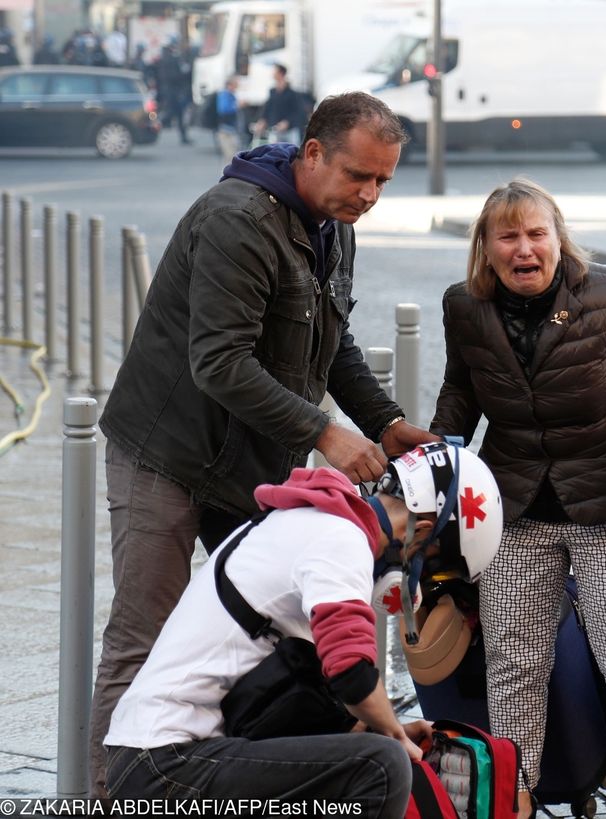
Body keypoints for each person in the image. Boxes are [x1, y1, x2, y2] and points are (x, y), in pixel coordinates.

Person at [89, 91, 440, 797]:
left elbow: (330, 341)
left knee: (265, 640)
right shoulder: (238, 220)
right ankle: (110, 794)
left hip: (248, 465)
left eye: (383, 181)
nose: (369, 195)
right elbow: (218, 361)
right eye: (358, 177)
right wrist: (323, 432)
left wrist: (383, 420)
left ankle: (226, 783)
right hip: (166, 453)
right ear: (312, 154)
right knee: (144, 639)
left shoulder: (334, 223)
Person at [430, 178, 606, 819]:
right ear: (485, 248)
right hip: (512, 509)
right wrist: (438, 465)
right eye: (507, 236)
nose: (524, 248)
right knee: (514, 664)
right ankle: (516, 795)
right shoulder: (464, 306)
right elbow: (461, 392)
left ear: (557, 237)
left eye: (536, 233)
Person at [104, 443, 502, 805]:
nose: (416, 581)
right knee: (382, 767)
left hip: (158, 760)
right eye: (429, 565)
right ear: (425, 531)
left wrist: (383, 725)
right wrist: (396, 739)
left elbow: (294, 703)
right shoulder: (342, 539)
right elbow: (352, 674)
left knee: (367, 757)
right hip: (166, 764)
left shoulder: (312, 522)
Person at [254, 63, 308, 144]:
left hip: (290, 131)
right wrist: (262, 120)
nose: (272, 73)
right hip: (275, 130)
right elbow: (268, 108)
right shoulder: (272, 92)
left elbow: (298, 112)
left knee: (292, 154)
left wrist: (287, 122)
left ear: (281, 73)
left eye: (274, 71)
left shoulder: (292, 93)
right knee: (275, 154)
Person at [215, 74, 243, 164]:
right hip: (225, 130)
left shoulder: (231, 95)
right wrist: (237, 105)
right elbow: (223, 110)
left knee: (233, 156)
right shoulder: (224, 95)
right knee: (230, 157)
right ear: (231, 84)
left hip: (231, 129)